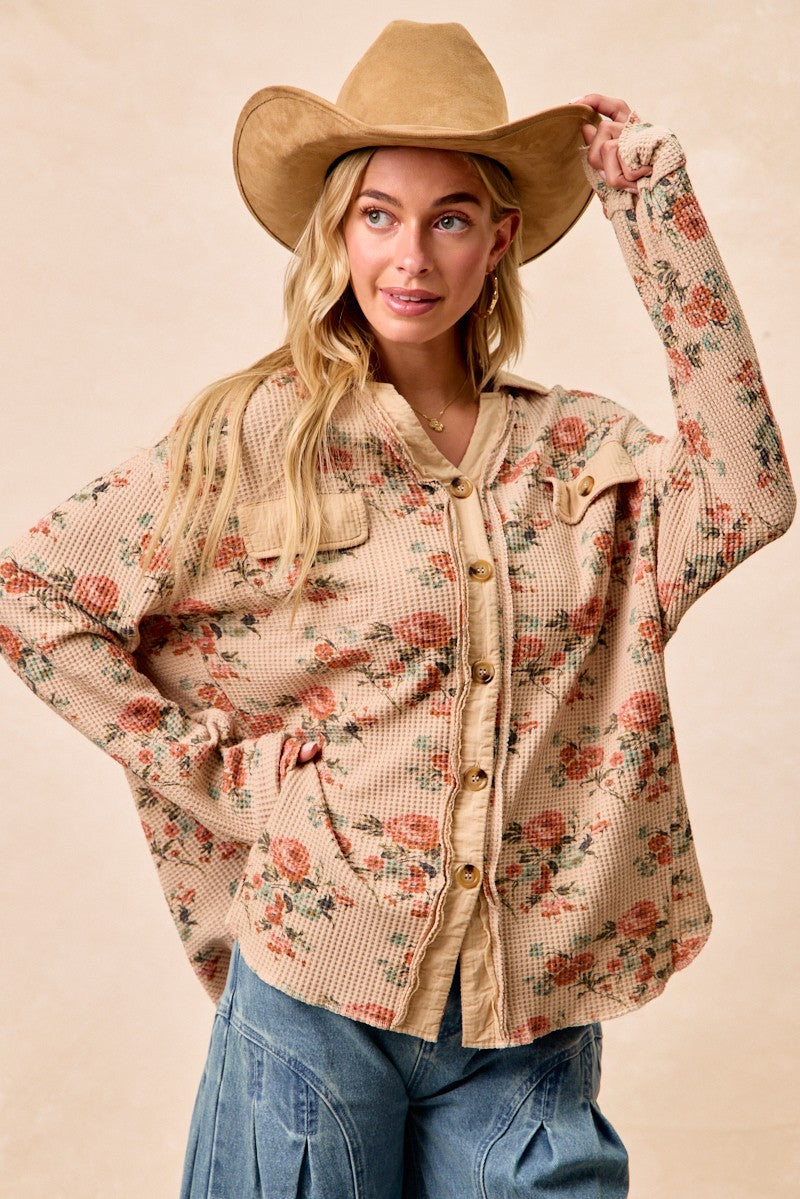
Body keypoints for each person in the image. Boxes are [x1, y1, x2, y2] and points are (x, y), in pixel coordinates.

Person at [0, 18, 794, 1198]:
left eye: (449, 218)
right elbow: (35, 591)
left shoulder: (580, 451)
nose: (410, 255)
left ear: (498, 239)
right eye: (378, 214)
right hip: (313, 992)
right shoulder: (259, 435)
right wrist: (219, 772)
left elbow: (746, 491)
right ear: (337, 231)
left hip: (525, 1024)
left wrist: (657, 221)